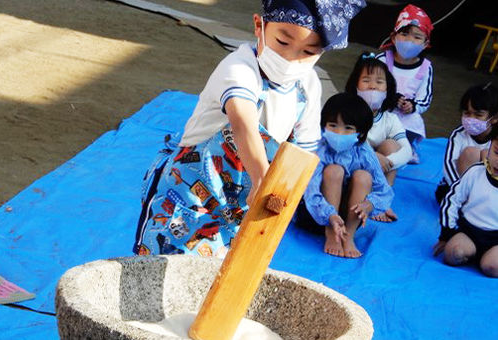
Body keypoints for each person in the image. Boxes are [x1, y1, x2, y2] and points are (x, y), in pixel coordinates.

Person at [132, 0, 366, 257]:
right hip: (186, 198)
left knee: (216, 280)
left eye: (308, 52)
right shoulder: (239, 68)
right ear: (259, 26)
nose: (291, 58)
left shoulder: (308, 85)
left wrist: (320, 210)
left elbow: (305, 157)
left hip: (243, 208)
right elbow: (243, 123)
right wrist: (262, 179)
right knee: (161, 268)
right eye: (283, 42)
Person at [297, 92, 393, 258]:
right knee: (334, 171)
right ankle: (331, 234)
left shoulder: (364, 152)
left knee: (364, 176)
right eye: (333, 125)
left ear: (361, 133)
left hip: (347, 214)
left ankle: (347, 235)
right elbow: (310, 191)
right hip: (315, 215)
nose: (339, 133)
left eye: (348, 128)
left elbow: (384, 190)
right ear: (323, 125)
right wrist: (330, 216)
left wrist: (370, 204)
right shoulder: (318, 148)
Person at [345, 52, 412, 222]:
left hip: (380, 167)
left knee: (391, 145)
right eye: (366, 81)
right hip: (353, 167)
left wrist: (385, 161)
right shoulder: (346, 113)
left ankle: (382, 199)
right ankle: (363, 198)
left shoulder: (390, 119)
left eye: (379, 82)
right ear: (356, 86)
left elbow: (406, 151)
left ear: (388, 89)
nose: (373, 86)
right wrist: (373, 158)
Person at [433, 123, 498, 277]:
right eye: (497, 152)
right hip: (469, 232)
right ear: (489, 146)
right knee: (452, 254)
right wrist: (446, 235)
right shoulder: (475, 172)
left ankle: (487, 257)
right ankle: (470, 252)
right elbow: (452, 200)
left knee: (492, 267)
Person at [376, 4, 434, 164]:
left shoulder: (426, 67)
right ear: (394, 37)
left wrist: (413, 105)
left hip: (405, 117)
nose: (409, 40)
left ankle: (407, 147)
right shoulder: (381, 60)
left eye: (417, 37)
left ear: (425, 43)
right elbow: (369, 88)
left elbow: (425, 98)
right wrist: (390, 99)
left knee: (414, 120)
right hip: (382, 112)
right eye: (404, 34)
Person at [435, 83, 498, 204]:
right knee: (471, 153)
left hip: (488, 193)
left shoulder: (496, 140)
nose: (471, 118)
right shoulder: (459, 135)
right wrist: (461, 191)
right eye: (467, 113)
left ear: (494, 118)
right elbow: (448, 165)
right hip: (455, 188)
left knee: (487, 154)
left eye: (478, 114)